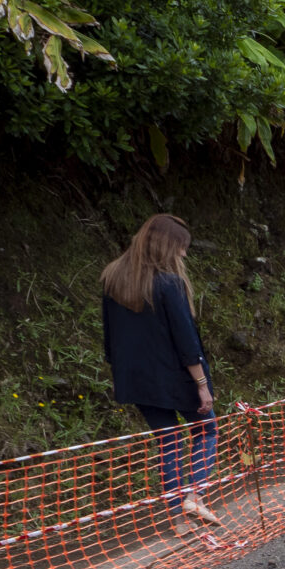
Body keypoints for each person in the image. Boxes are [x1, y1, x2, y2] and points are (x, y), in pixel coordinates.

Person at [100, 214, 222, 533]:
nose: (184, 254)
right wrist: (201, 384)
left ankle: (177, 521)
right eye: (181, 247)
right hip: (176, 377)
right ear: (167, 247)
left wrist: (120, 372)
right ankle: (195, 496)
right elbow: (186, 340)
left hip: (136, 380)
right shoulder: (169, 284)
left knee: (169, 442)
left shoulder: (113, 278)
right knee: (206, 431)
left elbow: (109, 337)